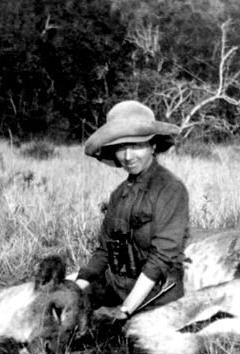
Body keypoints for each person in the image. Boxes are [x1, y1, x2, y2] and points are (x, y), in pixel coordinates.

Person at [75, 101, 189, 320]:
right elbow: (104, 251)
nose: (128, 156)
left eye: (137, 146)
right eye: (120, 148)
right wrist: (77, 287)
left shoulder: (171, 189)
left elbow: (162, 258)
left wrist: (125, 309)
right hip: (115, 287)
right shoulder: (118, 194)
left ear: (153, 146)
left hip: (155, 295)